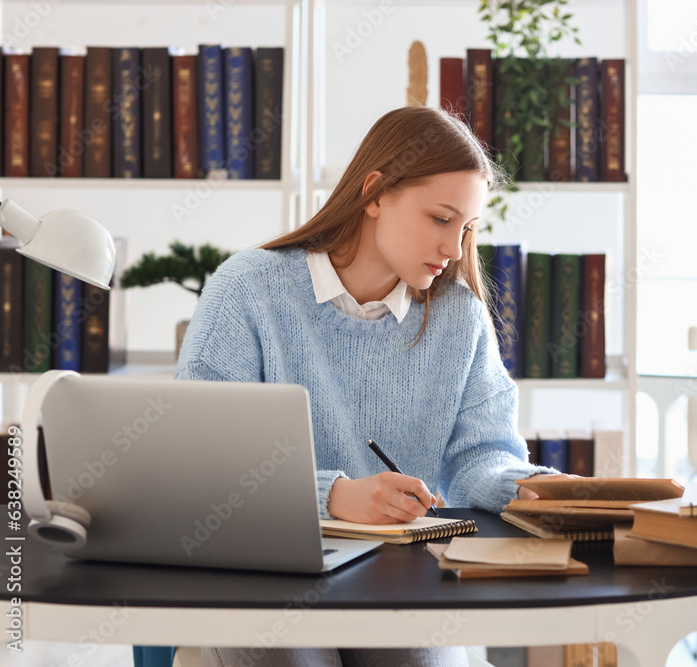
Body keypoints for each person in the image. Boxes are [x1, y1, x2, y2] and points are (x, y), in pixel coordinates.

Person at [175, 106, 565, 667]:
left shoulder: (459, 317)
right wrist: (335, 498)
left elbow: (480, 456)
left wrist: (539, 489)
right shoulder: (247, 291)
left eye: (467, 228)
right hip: (264, 577)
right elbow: (199, 459)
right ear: (376, 193)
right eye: (440, 219)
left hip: (403, 583)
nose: (455, 249)